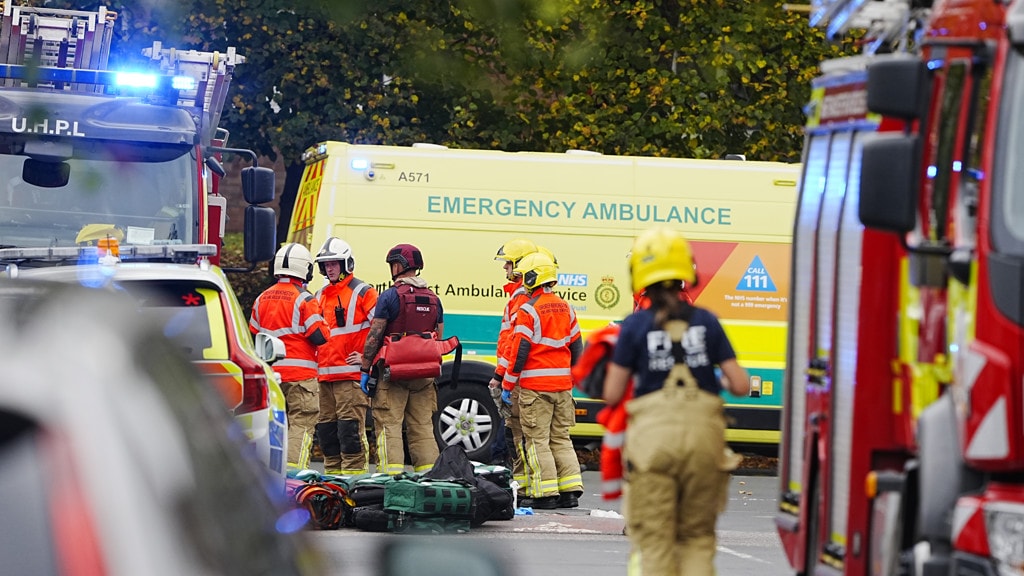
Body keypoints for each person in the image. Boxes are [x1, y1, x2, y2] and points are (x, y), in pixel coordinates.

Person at [602, 227, 750, 576]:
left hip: (653, 440)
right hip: (704, 440)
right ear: (687, 272)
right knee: (697, 538)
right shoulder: (707, 321)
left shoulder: (635, 326)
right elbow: (740, 384)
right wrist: (714, 377)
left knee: (655, 541)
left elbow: (611, 393)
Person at [500, 250, 583, 509]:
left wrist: (507, 384)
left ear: (533, 278)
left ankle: (544, 493)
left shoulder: (528, 309)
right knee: (560, 438)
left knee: (537, 440)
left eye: (524, 276)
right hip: (562, 386)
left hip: (536, 387)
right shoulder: (566, 307)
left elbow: (520, 350)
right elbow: (577, 347)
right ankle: (570, 490)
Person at [360, 243, 444, 475]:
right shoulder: (434, 299)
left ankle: (391, 479)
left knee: (389, 426)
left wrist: (365, 369)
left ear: (398, 265)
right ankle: (429, 478)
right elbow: (438, 336)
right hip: (424, 376)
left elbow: (374, 336)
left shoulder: (389, 296)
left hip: (392, 373)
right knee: (422, 427)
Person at [249, 242, 329, 471]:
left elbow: (253, 335)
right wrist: (326, 325)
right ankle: (294, 473)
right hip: (300, 377)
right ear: (305, 269)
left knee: (272, 425)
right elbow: (318, 336)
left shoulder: (261, 298)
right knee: (301, 424)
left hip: (270, 376)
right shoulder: (305, 299)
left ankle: (269, 472)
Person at [314, 237, 378, 476]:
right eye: (326, 264)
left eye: (334, 263)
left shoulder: (363, 292)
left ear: (346, 264)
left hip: (350, 378)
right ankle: (332, 483)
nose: (329, 268)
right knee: (328, 435)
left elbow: (382, 329)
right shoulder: (319, 295)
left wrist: (365, 358)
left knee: (350, 434)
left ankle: (353, 483)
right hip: (324, 379)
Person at [489, 237, 540, 496]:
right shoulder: (520, 295)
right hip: (515, 374)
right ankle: (521, 481)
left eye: (508, 264)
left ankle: (520, 482)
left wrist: (503, 375)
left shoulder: (522, 298)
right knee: (515, 430)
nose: (505, 269)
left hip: (516, 377)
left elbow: (515, 341)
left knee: (516, 431)